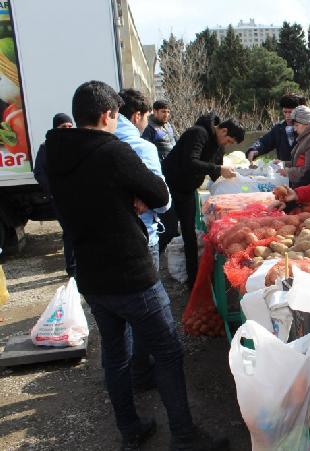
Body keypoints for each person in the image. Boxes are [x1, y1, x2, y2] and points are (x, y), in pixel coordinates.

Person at [44, 80, 228, 450]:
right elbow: (160, 195)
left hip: (91, 275)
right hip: (131, 272)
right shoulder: (112, 151)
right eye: (115, 116)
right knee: (168, 351)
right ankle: (185, 436)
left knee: (115, 354)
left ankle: (131, 429)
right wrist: (134, 197)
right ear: (107, 115)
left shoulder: (53, 153)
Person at [161, 113, 244, 288]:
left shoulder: (218, 145)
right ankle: (152, 266)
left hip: (189, 190)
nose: (227, 145)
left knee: (190, 235)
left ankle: (193, 282)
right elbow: (190, 162)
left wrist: (229, 177)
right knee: (167, 230)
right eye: (228, 141)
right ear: (223, 130)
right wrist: (218, 169)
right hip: (171, 186)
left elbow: (215, 170)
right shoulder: (198, 133)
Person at [115, 89, 171, 271]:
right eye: (146, 116)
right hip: (142, 235)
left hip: (107, 241)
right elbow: (163, 203)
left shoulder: (99, 143)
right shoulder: (142, 147)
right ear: (137, 116)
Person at [33, 113, 75, 276]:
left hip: (78, 196)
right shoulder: (46, 147)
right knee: (70, 232)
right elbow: (39, 172)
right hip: (61, 199)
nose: (67, 130)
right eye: (63, 127)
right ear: (55, 128)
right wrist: (54, 191)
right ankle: (72, 269)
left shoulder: (75, 144)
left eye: (70, 127)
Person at [246, 93, 306, 162]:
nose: (287, 116)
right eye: (285, 112)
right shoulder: (279, 128)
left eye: (290, 112)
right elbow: (264, 142)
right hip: (283, 171)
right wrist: (254, 150)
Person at [278, 105, 310, 187]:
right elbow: (298, 163)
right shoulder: (306, 136)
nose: (294, 129)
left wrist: (288, 172)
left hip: (307, 189)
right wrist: (283, 163)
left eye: (297, 125)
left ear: (307, 123)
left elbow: (309, 171)